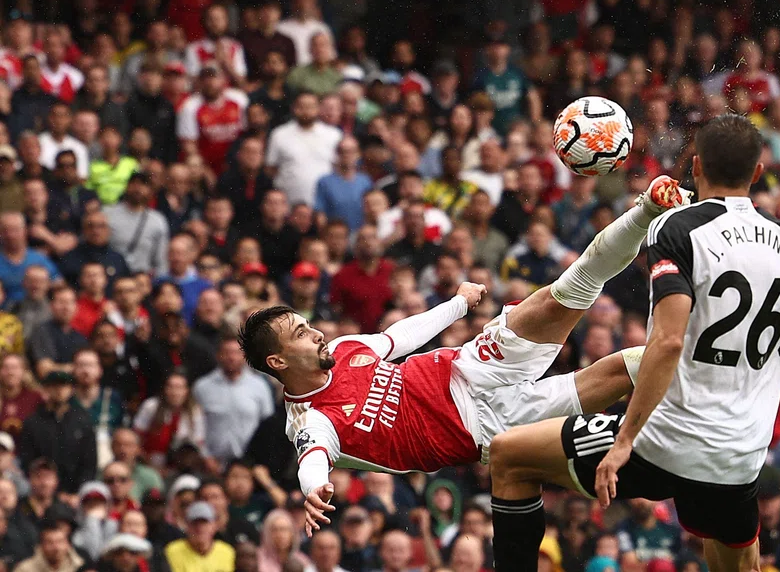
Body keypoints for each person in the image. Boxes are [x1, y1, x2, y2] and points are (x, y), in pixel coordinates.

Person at [485, 115, 780, 572]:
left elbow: (668, 341)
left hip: (665, 442)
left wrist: (625, 438)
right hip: (739, 458)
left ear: (696, 166)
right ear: (756, 172)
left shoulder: (677, 228)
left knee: (509, 457)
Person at [237, 174, 689, 531]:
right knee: (622, 368)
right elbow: (313, 456)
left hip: (468, 366)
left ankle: (650, 207)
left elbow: (400, 337)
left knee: (565, 291)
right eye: (300, 333)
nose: (315, 333)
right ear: (278, 362)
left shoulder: (343, 348)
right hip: (487, 427)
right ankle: (703, 358)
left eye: (306, 324)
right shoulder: (312, 419)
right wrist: (314, 489)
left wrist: (457, 304)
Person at [192, 337, 274, 462]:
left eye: (236, 352)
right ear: (218, 355)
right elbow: (194, 425)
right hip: (212, 461)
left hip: (248, 462)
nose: (231, 357)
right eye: (227, 352)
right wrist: (205, 456)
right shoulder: (202, 387)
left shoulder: (259, 386)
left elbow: (268, 426)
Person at [18, 371, 97, 496]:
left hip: (75, 494)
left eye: (64, 386)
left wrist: (78, 493)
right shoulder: (33, 423)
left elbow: (89, 463)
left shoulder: (82, 422)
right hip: (41, 491)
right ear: (46, 389)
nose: (59, 390)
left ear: (71, 390)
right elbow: (27, 461)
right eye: (54, 386)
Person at [103, 173, 169, 276]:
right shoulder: (107, 213)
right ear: (126, 187)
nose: (137, 188)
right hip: (112, 275)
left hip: (142, 278)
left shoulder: (158, 220)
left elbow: (161, 260)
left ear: (150, 191)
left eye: (143, 184)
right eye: (133, 184)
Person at [164, 502, 235, 572]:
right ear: (186, 526)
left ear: (214, 525)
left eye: (204, 522)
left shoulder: (226, 552)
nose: (199, 528)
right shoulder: (173, 551)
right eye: (194, 523)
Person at [12, 519, 84, 572]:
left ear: (68, 544)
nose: (56, 547)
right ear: (41, 545)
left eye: (60, 541)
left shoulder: (80, 566)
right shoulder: (25, 569)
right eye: (50, 542)